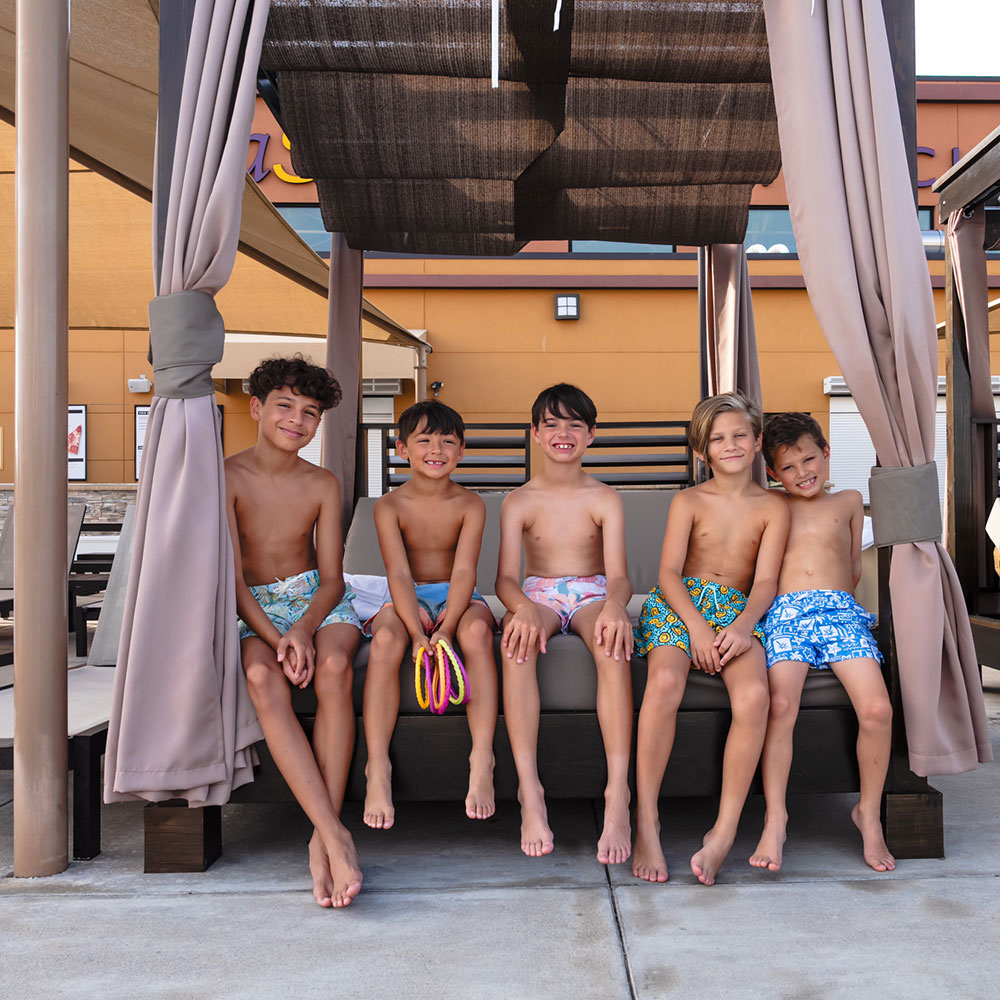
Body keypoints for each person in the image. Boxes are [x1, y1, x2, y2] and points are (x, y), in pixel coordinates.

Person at [632, 391, 789, 886]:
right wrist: (697, 629)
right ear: (703, 451)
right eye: (718, 439)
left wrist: (741, 626)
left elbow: (765, 582)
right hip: (681, 608)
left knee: (755, 695)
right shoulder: (689, 500)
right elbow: (669, 573)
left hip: (738, 612)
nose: (731, 445)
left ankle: (723, 831)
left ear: (758, 441)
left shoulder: (773, 507)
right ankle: (647, 822)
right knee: (663, 686)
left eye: (740, 435)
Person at [226, 356, 363, 909]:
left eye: (310, 413)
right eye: (285, 406)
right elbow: (232, 580)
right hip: (253, 605)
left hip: (316, 603)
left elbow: (332, 579)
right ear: (257, 408)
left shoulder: (323, 483)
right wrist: (278, 637)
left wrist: (304, 630)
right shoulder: (225, 475)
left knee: (333, 668)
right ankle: (335, 833)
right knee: (261, 675)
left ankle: (321, 834)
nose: (297, 420)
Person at [750, 412, 895, 874]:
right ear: (773, 473)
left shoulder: (850, 500)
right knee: (779, 705)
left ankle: (867, 813)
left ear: (827, 454)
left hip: (840, 614)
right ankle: (776, 819)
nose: (802, 473)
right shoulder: (771, 505)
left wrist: (835, 599)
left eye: (809, 459)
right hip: (787, 613)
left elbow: (853, 566)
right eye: (788, 468)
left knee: (877, 709)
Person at [495, 384, 634, 863]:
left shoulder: (605, 498)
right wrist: (524, 609)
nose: (563, 433)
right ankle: (529, 790)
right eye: (551, 424)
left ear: (591, 435)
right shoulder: (518, 501)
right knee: (516, 648)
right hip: (539, 593)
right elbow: (504, 582)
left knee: (613, 646)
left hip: (594, 591)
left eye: (575, 424)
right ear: (535, 433)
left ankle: (618, 793)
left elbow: (619, 577)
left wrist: (616, 605)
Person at [362, 400, 498, 830]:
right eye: (423, 440)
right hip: (409, 594)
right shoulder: (388, 506)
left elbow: (464, 571)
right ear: (402, 448)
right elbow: (398, 573)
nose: (435, 449)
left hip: (459, 594)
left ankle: (482, 759)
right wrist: (416, 632)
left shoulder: (471, 504)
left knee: (476, 636)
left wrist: (450, 627)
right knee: (385, 640)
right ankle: (377, 766)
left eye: (447, 441)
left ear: (462, 451)